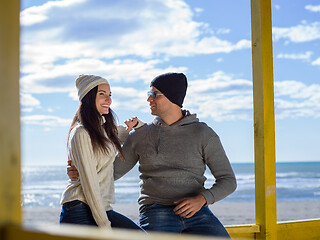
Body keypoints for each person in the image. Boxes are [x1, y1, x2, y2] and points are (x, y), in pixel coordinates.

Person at [68, 72, 236, 237]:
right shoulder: (141, 135)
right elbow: (111, 172)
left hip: (198, 212)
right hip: (156, 210)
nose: (148, 99)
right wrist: (81, 172)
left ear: (172, 97)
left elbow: (228, 180)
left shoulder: (204, 134)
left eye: (153, 94)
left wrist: (202, 199)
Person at [60, 74, 145, 231]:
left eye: (109, 95)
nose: (109, 100)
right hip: (80, 208)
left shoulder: (105, 130)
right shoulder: (81, 133)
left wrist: (137, 124)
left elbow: (140, 134)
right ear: (88, 97)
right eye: (102, 94)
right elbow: (89, 184)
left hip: (102, 208)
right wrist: (104, 225)